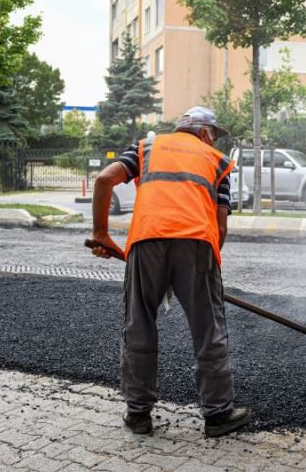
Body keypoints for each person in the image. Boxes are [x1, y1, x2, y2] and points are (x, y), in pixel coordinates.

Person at [89, 106, 251, 437]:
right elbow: (220, 224)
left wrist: (102, 234)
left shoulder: (146, 147)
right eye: (214, 135)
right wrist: (206, 272)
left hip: (147, 240)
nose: (213, 140)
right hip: (197, 242)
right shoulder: (216, 160)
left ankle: (138, 414)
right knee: (208, 328)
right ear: (205, 133)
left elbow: (105, 179)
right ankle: (218, 415)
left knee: (139, 323)